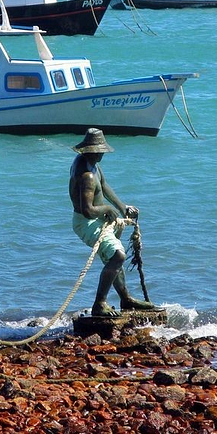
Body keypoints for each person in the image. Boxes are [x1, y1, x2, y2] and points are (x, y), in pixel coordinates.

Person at [69, 128, 157, 317]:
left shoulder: (91, 164)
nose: (102, 154)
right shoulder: (87, 175)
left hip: (96, 218)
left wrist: (122, 207)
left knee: (113, 258)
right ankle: (99, 303)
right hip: (87, 222)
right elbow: (87, 210)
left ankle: (126, 299)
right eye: (100, 151)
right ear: (94, 151)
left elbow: (104, 186)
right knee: (118, 255)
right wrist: (108, 210)